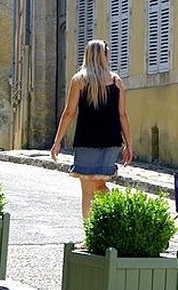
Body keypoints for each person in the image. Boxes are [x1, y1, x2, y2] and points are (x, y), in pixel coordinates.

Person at [50, 39, 134, 222]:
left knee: (88, 190)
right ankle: (115, 219)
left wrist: (57, 142)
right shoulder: (116, 81)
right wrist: (129, 144)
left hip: (86, 140)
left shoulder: (79, 80)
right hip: (111, 141)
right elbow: (123, 116)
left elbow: (69, 113)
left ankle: (95, 231)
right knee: (99, 183)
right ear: (104, 56)